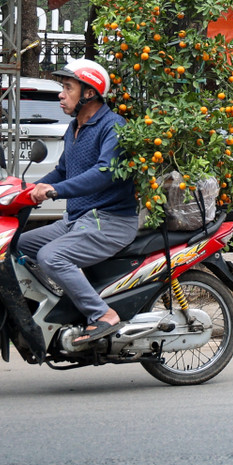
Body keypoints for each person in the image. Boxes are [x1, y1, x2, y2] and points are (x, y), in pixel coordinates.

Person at [16, 59, 138, 345]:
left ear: (89, 93)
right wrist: (26, 189)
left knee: (51, 256)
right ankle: (58, 303)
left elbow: (103, 174)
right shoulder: (74, 127)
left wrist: (54, 191)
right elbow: (62, 170)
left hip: (110, 221)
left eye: (68, 88)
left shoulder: (113, 126)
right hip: (77, 220)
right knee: (18, 244)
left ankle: (102, 314)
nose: (61, 94)